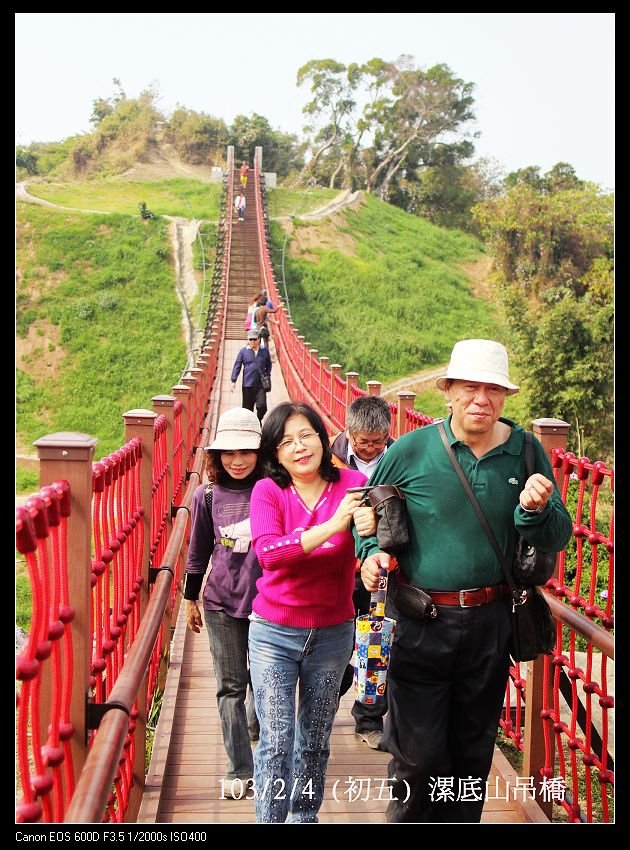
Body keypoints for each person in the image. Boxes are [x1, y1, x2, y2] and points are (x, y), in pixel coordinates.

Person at [356, 339, 572, 823]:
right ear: (448, 392)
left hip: (491, 622)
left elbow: (558, 534)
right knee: (420, 755)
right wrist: (368, 555)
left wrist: (534, 511)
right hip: (419, 620)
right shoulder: (412, 450)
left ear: (505, 396)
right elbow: (367, 513)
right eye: (470, 387)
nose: (482, 399)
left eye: (493, 389)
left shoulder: (525, 451)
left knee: (472, 753)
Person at [248, 401, 377, 823]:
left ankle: (304, 818)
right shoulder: (268, 491)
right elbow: (269, 553)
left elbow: (369, 538)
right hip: (273, 631)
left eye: (306, 435)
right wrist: (333, 524)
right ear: (274, 454)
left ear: (323, 438)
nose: (299, 447)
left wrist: (371, 541)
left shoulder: (354, 483)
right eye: (286, 441)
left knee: (316, 738)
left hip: (333, 633)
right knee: (278, 737)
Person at [183, 407, 264, 799]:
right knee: (230, 686)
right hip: (220, 603)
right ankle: (239, 768)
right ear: (216, 456)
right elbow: (198, 552)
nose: (237, 460)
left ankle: (255, 727)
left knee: (265, 684)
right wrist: (189, 600)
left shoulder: (274, 490)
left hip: (270, 604)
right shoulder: (207, 495)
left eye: (246, 451)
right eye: (229, 452)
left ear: (260, 453)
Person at [330, 395, 395, 750]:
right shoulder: (328, 458)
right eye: (362, 441)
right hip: (339, 567)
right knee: (334, 645)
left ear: (389, 433)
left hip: (386, 568)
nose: (369, 448)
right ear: (348, 431)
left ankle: (368, 720)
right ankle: (321, 709)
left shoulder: (401, 459)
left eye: (377, 441)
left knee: (378, 647)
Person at [231, 330, 272, 424]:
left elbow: (269, 364)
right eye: (250, 339)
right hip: (247, 385)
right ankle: (251, 426)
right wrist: (233, 381)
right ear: (248, 340)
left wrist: (267, 374)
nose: (252, 341)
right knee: (247, 410)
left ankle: (257, 420)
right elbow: (237, 365)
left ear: (259, 339)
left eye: (254, 339)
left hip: (260, 385)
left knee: (262, 406)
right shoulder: (243, 351)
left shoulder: (264, 350)